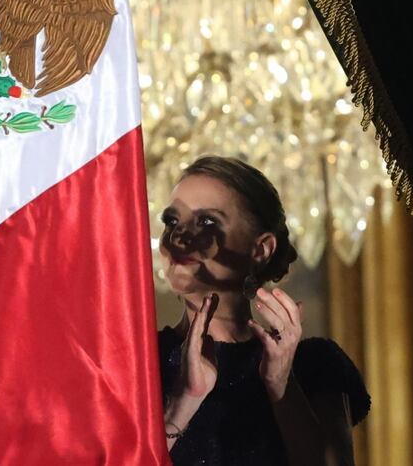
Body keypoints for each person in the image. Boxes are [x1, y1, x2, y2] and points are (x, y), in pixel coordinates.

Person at [156, 156, 369, 465]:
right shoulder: (138, 361)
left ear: (261, 249)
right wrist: (182, 403)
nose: (179, 236)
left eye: (206, 222)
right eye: (172, 221)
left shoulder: (314, 365)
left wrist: (281, 385)